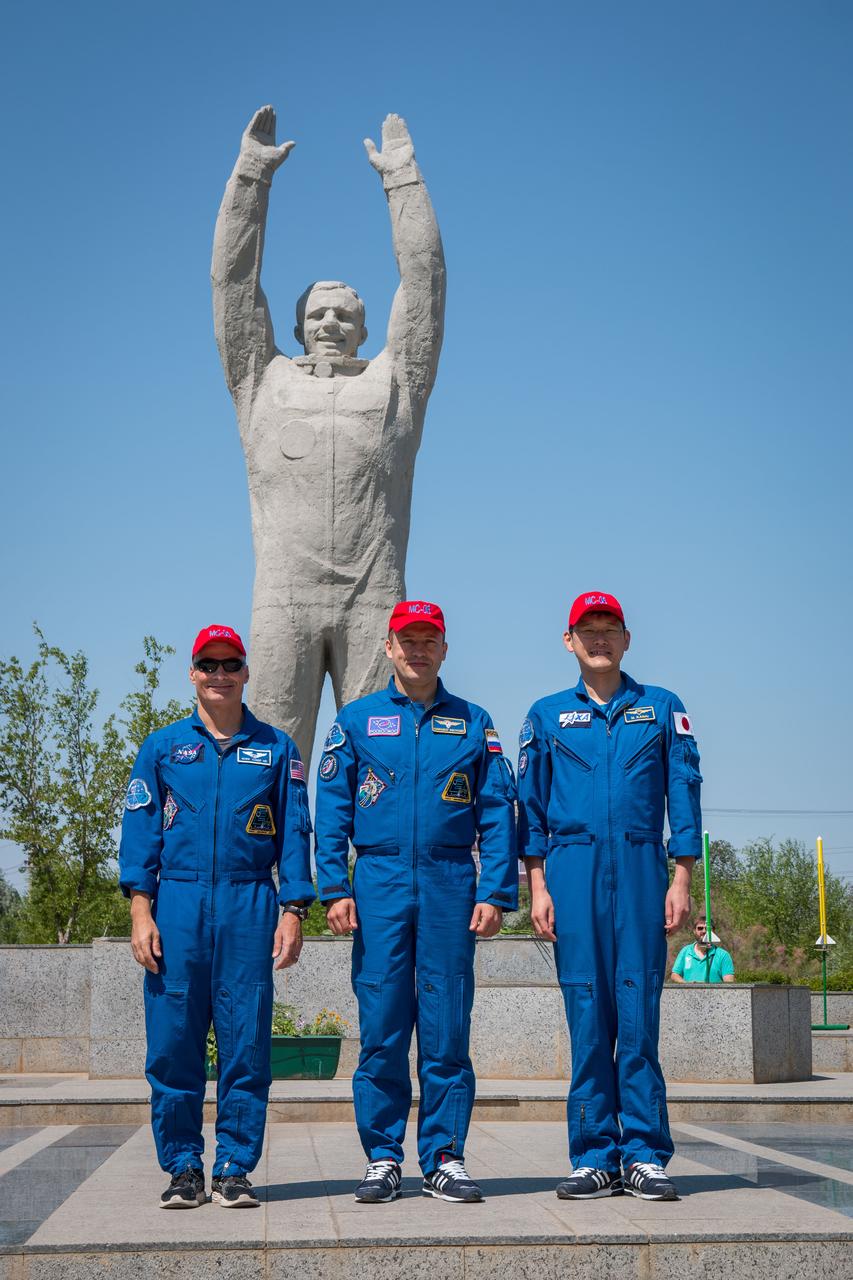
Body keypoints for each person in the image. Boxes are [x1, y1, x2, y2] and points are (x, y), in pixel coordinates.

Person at [212, 106, 446, 763]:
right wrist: (250, 178)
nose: (331, 323)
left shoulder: (395, 384)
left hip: (373, 598)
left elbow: (424, 286)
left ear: (366, 331)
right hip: (282, 598)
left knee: (385, 766)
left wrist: (402, 181)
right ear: (295, 326)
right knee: (265, 767)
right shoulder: (262, 382)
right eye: (317, 313)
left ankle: (371, 872)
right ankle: (268, 872)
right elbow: (233, 284)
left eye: (346, 315)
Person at [314, 600, 517, 1204]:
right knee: (381, 1026)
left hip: (451, 883)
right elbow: (332, 813)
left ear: (445, 649)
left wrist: (495, 891)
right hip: (377, 883)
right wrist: (336, 886)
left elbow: (498, 814)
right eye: (408, 640)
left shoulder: (474, 722)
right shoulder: (356, 721)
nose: (418, 649)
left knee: (447, 1026)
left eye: (430, 640)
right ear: (389, 647)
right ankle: (382, 1156)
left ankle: (445, 1157)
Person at [119, 625, 314, 1209]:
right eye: (209, 664)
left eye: (231, 664)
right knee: (173, 1043)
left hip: (249, 901)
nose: (220, 674)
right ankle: (182, 1166)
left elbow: (296, 833)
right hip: (176, 905)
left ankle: (234, 1165)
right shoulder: (162, 748)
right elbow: (140, 831)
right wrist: (140, 909)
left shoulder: (278, 749)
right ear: (193, 674)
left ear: (247, 672)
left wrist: (293, 909)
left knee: (245, 1042)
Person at [517, 592, 701, 1202]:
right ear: (568, 641)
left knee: (639, 1016)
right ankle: (595, 1154)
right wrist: (537, 886)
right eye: (587, 629)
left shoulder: (662, 708)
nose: (599, 638)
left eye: (610, 628)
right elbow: (532, 810)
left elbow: (685, 793)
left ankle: (645, 1154)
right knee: (589, 1018)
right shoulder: (545, 715)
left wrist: (682, 879)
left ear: (627, 640)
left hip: (644, 867)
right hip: (572, 872)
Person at [671, 917, 735, 983]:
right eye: (700, 928)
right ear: (694, 931)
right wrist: (687, 985)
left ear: (713, 931)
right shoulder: (685, 951)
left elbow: (729, 982)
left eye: (708, 928)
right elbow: (675, 975)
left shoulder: (723, 955)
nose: (704, 931)